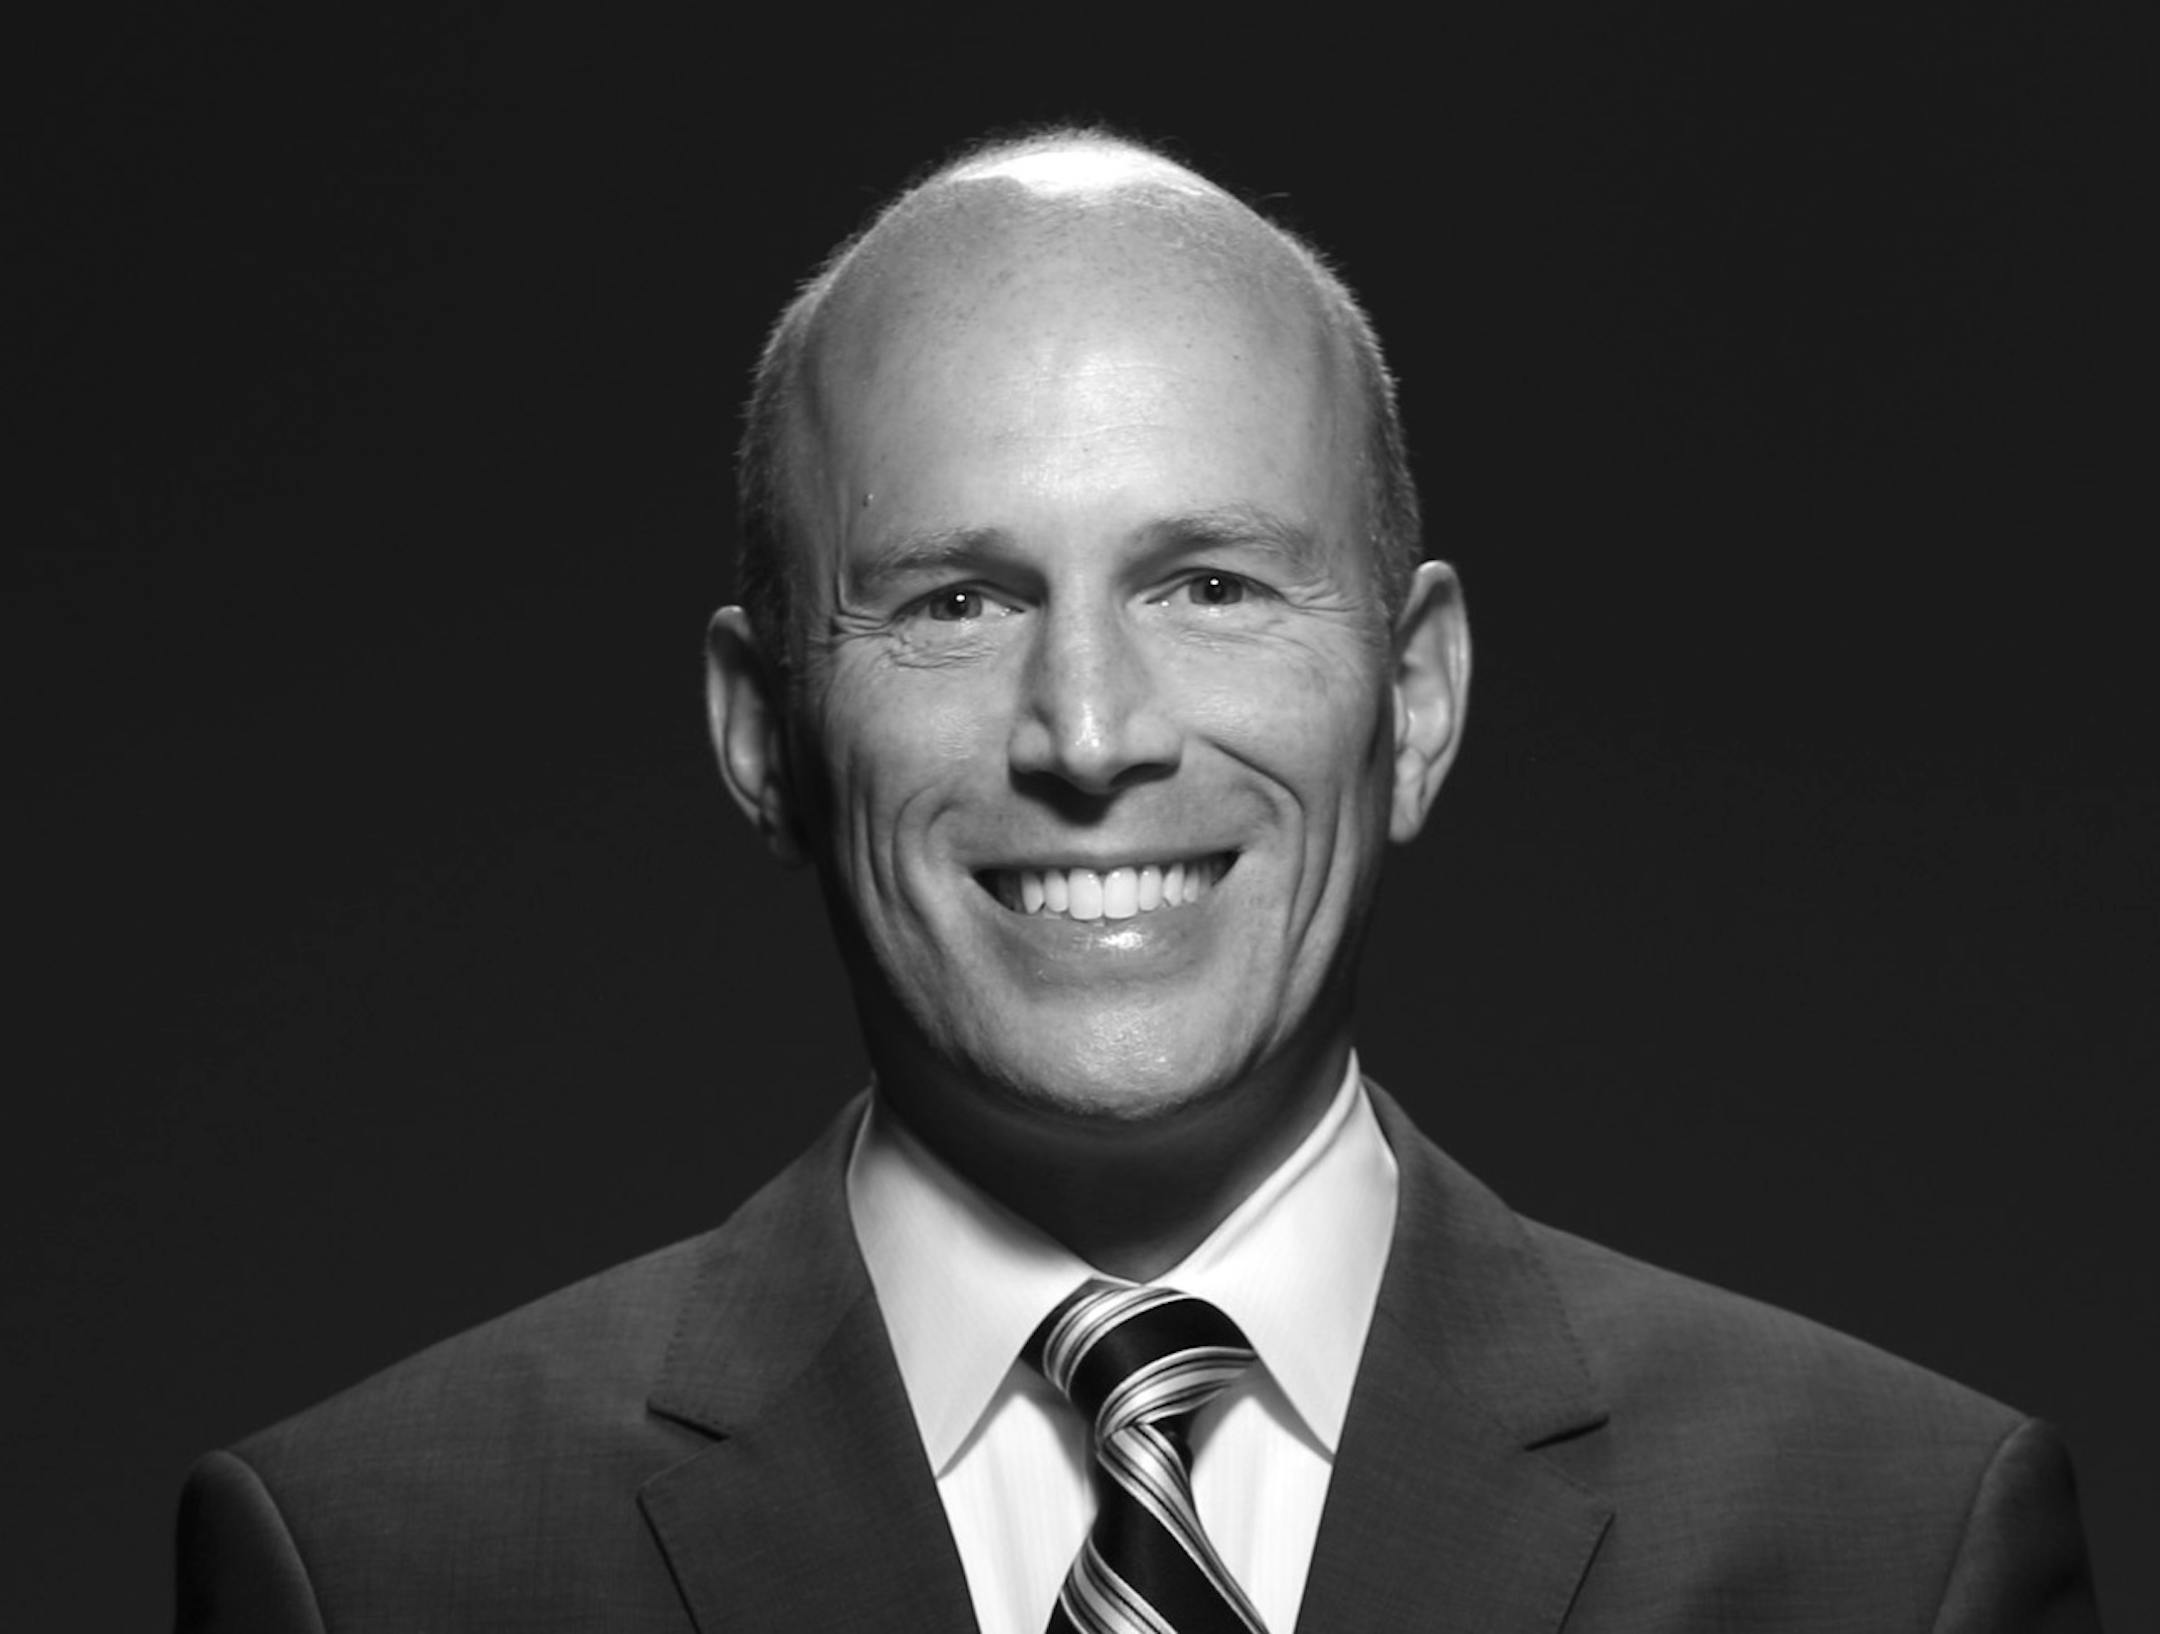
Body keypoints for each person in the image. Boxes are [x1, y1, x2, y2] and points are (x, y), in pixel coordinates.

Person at [173, 129, 2102, 1633]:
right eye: (954, 597)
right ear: (764, 729)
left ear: (1413, 700)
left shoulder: (1895, 1544)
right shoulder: (372, 1565)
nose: (1089, 732)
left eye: (1210, 583)